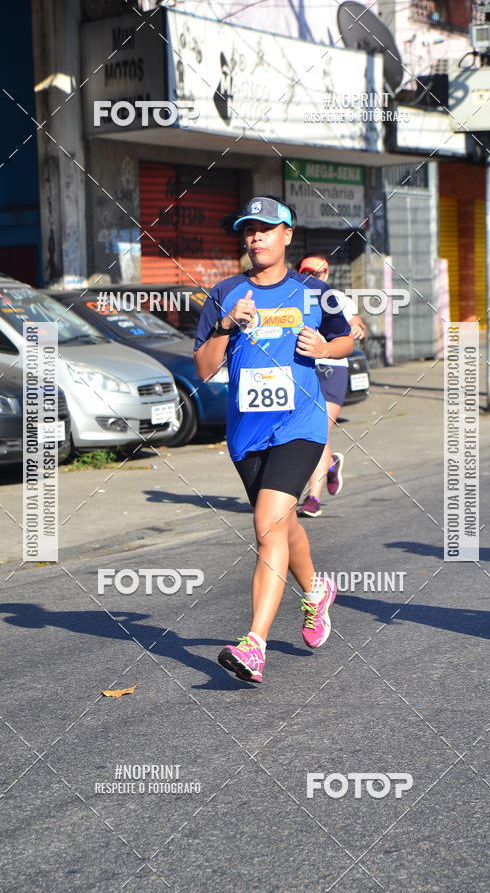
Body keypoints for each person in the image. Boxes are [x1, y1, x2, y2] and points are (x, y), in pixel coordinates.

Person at [193, 196, 355, 684]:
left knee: (267, 525)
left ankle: (254, 645)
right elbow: (203, 368)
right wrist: (226, 326)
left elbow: (348, 339)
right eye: (249, 230)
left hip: (300, 427)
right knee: (281, 528)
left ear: (287, 234)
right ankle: (315, 591)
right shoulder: (225, 293)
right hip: (247, 435)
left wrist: (327, 347)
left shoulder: (315, 291)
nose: (256, 237)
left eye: (266, 229)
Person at [295, 254, 366, 518]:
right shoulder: (292, 298)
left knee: (319, 430)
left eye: (319, 273)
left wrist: (357, 329)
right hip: (305, 370)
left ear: (327, 274)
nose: (314, 278)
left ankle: (313, 497)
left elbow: (357, 324)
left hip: (334, 370)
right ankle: (331, 463)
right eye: (308, 273)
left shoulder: (338, 298)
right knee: (311, 432)